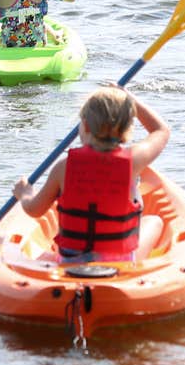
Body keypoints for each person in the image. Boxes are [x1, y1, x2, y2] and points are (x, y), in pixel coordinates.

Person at [11, 85, 167, 263]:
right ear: (127, 127)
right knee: (154, 221)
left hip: (70, 262)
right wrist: (130, 99)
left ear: (85, 125)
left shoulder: (64, 167)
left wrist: (25, 193)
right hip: (119, 263)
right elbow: (161, 131)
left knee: (41, 256)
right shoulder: (133, 161)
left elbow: (34, 210)